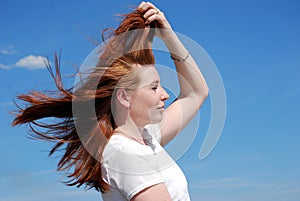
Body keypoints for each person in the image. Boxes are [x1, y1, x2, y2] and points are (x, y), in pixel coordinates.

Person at [12, 2, 208, 201]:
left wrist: (169, 36)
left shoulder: (147, 139)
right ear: (124, 97)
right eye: (154, 87)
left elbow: (196, 93)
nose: (165, 94)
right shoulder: (125, 152)